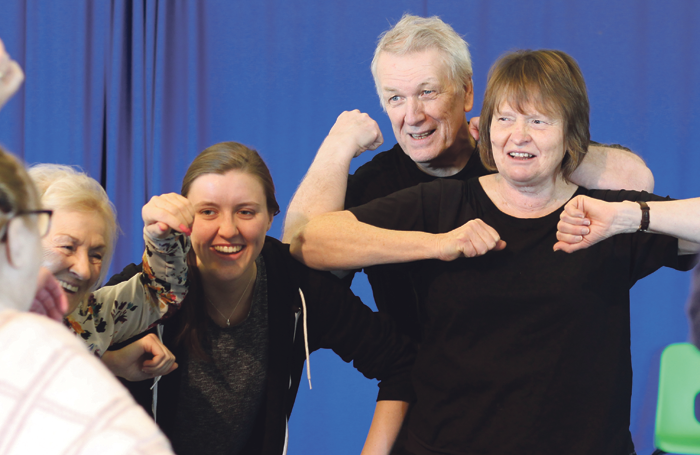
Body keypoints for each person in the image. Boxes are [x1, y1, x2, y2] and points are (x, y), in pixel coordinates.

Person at [290, 49, 699, 454]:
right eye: (505, 119)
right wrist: (437, 244)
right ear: (487, 129)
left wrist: (631, 218)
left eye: (538, 121)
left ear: (570, 133)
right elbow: (309, 241)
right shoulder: (440, 204)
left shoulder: (604, 214)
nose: (518, 136)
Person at [106, 141, 415, 455]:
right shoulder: (148, 289)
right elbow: (60, 343)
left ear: (270, 218)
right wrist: (114, 361)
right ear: (187, 220)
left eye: (246, 212)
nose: (228, 229)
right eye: (208, 211)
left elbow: (399, 363)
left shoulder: (295, 285)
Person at [0, 146, 175, 454]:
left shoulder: (91, 314)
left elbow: (162, 292)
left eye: (96, 255)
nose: (83, 269)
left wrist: (162, 234)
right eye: (67, 247)